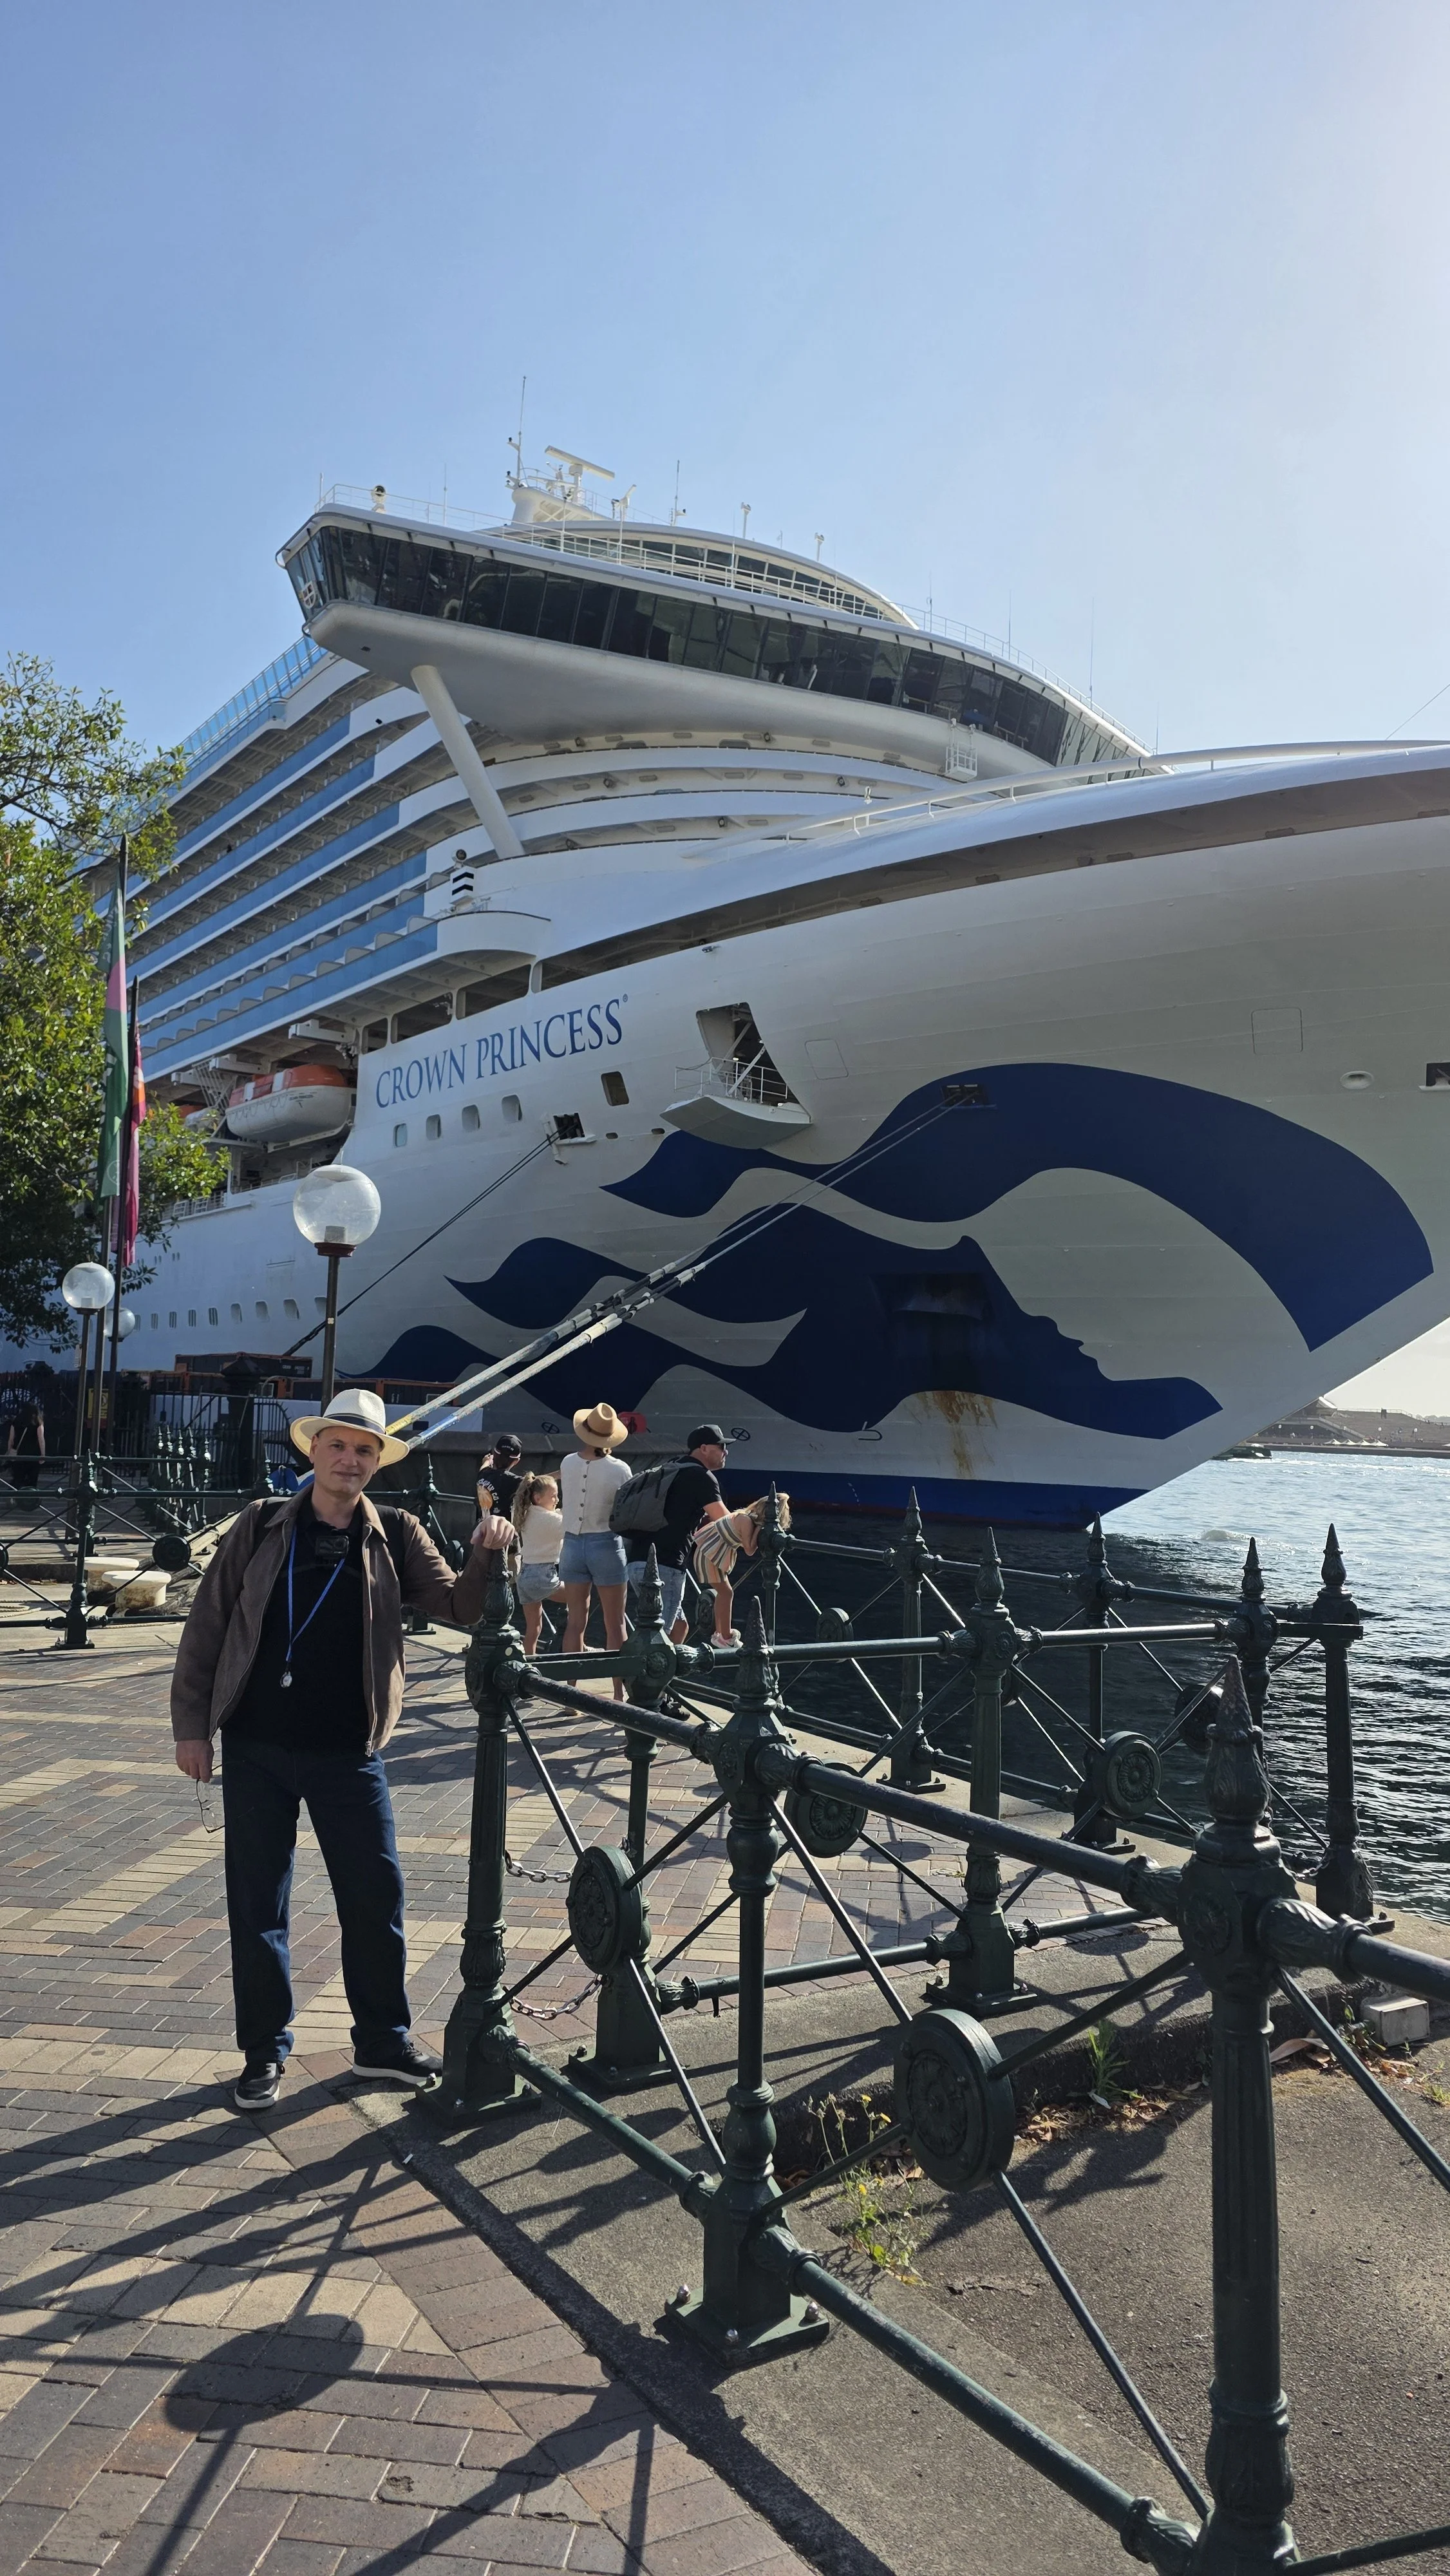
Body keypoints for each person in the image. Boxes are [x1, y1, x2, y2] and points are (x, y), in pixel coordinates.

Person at [171, 1388, 516, 2113]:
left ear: (376, 1462)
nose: (350, 1459)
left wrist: (488, 1554)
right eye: (339, 1446)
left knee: (374, 1893)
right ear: (314, 1450)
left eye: (365, 1450)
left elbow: (457, 1608)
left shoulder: (397, 1530)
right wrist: (191, 1727)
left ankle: (382, 2041)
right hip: (257, 1742)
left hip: (348, 1750)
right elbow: (207, 1623)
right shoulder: (263, 1525)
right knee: (256, 1899)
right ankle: (263, 2050)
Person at [625, 1425, 730, 1645]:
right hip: (666, 1567)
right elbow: (725, 1522)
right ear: (703, 1448)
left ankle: (663, 1678)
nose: (725, 1452)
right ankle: (633, 1678)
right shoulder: (702, 1477)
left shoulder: (670, 1468)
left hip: (637, 1561)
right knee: (654, 1640)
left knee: (680, 1626)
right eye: (721, 1446)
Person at [560, 1403, 632, 1692]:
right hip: (605, 1543)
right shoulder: (620, 1469)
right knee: (616, 1624)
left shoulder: (567, 1463)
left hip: (572, 1545)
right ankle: (618, 1694)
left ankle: (571, 1689)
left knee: (575, 1621)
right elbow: (626, 1510)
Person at [693, 1492, 790, 1648]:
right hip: (710, 1555)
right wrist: (760, 1528)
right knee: (726, 1593)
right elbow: (750, 1550)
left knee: (723, 1593)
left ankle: (720, 1634)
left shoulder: (744, 1517)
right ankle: (725, 1637)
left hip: (711, 1553)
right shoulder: (746, 1521)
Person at [512, 1472, 565, 1654]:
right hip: (542, 1576)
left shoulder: (525, 1513)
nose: (557, 1500)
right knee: (582, 1598)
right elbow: (573, 1525)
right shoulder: (551, 1520)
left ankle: (528, 1662)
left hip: (525, 1577)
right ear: (537, 1498)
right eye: (553, 1496)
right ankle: (576, 1643)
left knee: (534, 1628)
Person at [476, 1432, 523, 1522]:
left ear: (494, 1453)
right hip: (500, 1533)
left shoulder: (483, 1474)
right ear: (516, 1461)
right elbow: (535, 1481)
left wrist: (488, 1460)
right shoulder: (513, 1481)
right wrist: (558, 1473)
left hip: (480, 1530)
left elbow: (484, 1466)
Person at [5, 1403, 45, 1493]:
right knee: (32, 1479)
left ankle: (13, 1497)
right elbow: (41, 1440)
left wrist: (9, 1452)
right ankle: (28, 1499)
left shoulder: (16, 1421)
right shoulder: (37, 1422)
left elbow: (11, 1440)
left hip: (18, 1454)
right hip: (33, 1455)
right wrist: (43, 1454)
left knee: (18, 1478)